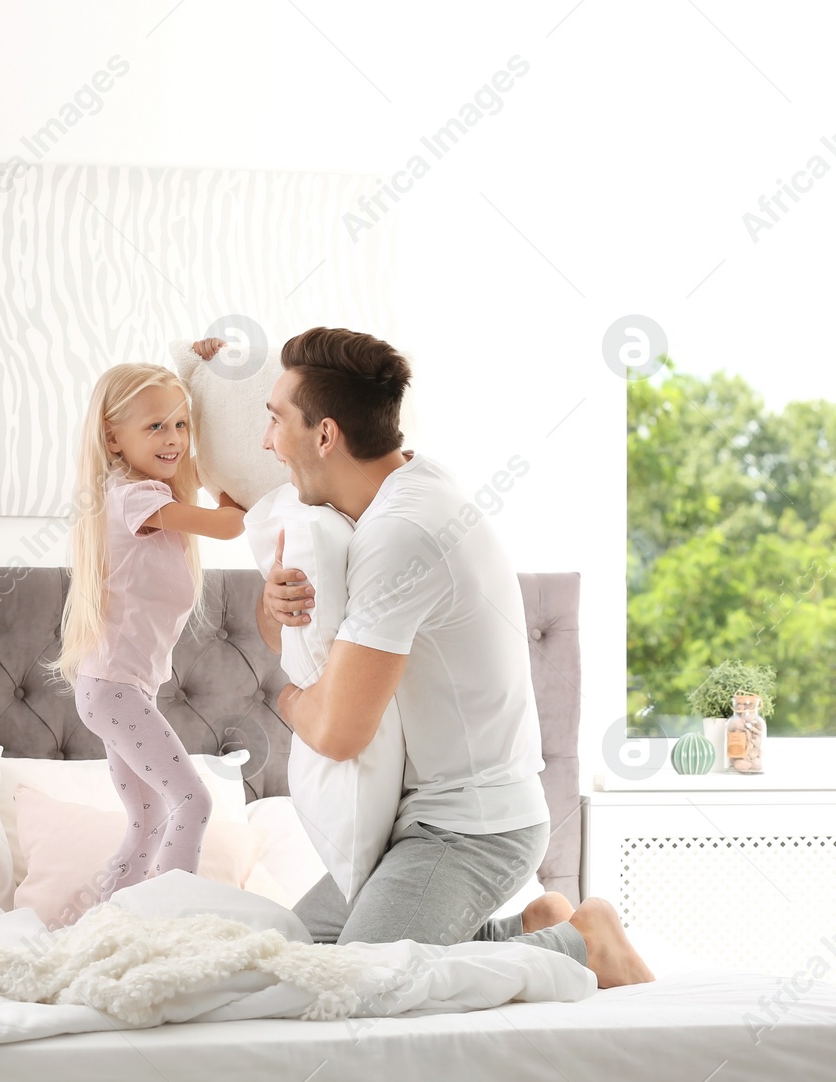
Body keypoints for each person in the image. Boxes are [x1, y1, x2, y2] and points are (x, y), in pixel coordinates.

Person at [193, 328, 652, 988]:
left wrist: (285, 698)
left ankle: (584, 945)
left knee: (350, 984)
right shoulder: (387, 487)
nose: (266, 441)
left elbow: (340, 732)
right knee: (282, 961)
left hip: (473, 827)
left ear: (325, 436)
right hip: (417, 821)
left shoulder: (403, 533)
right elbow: (279, 632)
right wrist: (276, 602)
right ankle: (532, 929)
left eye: (274, 421)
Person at [52, 363, 247, 903]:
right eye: (156, 427)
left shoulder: (146, 494)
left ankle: (92, 926)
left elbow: (193, 465)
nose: (175, 440)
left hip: (114, 688)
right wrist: (249, 478)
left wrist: (200, 362)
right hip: (114, 689)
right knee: (193, 803)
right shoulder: (138, 499)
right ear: (112, 438)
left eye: (182, 425)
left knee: (150, 818)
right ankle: (168, 920)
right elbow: (231, 524)